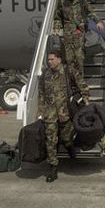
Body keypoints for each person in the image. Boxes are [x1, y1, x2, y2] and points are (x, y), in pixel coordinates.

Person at [53, 0, 104, 101]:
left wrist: (98, 21)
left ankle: (81, 86)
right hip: (67, 36)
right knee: (69, 61)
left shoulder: (81, 0)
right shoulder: (61, 2)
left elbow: (90, 12)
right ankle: (73, 85)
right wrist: (56, 28)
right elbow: (57, 17)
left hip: (79, 34)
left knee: (79, 60)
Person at [38, 50, 76, 182]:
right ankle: (53, 169)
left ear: (59, 60)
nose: (50, 62)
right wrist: (41, 112)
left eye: (52, 59)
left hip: (64, 112)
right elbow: (41, 93)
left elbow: (80, 84)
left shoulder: (67, 72)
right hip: (50, 114)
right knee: (51, 140)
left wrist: (86, 100)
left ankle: (69, 146)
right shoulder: (45, 74)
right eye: (48, 60)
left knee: (66, 137)